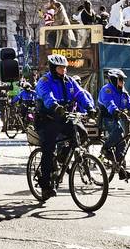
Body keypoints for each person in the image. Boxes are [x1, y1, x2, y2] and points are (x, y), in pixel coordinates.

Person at [34, 54, 94, 198]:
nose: (64, 70)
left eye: (65, 68)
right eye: (61, 68)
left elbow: (80, 94)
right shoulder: (44, 81)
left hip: (62, 118)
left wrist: (90, 108)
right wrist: (55, 106)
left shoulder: (70, 81)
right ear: (53, 68)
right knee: (49, 150)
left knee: (80, 134)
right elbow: (47, 96)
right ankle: (45, 184)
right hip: (46, 120)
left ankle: (61, 159)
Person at [98, 68, 130, 175]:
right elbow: (109, 103)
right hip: (106, 118)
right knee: (119, 131)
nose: (123, 82)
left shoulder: (123, 92)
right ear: (114, 79)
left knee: (122, 142)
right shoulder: (106, 90)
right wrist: (116, 111)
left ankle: (120, 170)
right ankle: (105, 149)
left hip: (116, 118)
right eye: (121, 79)